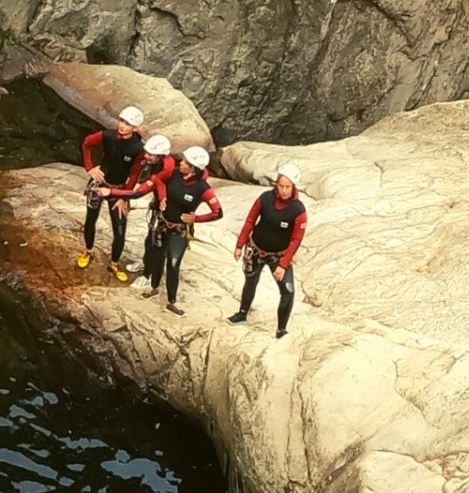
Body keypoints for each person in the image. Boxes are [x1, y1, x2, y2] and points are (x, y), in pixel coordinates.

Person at [112, 143, 222, 313]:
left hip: (179, 231)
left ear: (193, 168)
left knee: (173, 263)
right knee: (157, 256)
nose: (181, 164)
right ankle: (154, 287)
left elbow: (218, 212)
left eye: (185, 163)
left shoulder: (202, 188)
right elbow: (159, 181)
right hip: (163, 225)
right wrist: (162, 197)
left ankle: (172, 301)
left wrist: (196, 218)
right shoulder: (175, 173)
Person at [228, 164, 307, 339]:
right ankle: (242, 313)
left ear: (293, 187)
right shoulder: (265, 199)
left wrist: (283, 265)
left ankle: (281, 329)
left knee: (288, 291)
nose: (284, 190)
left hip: (278, 256)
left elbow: (296, 240)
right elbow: (250, 221)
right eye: (281, 186)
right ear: (276, 185)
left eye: (288, 187)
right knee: (251, 280)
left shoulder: (298, 210)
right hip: (256, 250)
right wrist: (240, 245)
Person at [79, 106, 148, 281]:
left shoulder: (138, 149)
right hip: (99, 183)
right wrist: (90, 168)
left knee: (119, 229)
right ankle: (88, 251)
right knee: (90, 219)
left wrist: (124, 197)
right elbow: (86, 143)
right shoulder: (107, 136)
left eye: (128, 124)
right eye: (122, 121)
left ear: (135, 128)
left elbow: (134, 174)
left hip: (118, 189)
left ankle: (114, 263)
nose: (123, 126)